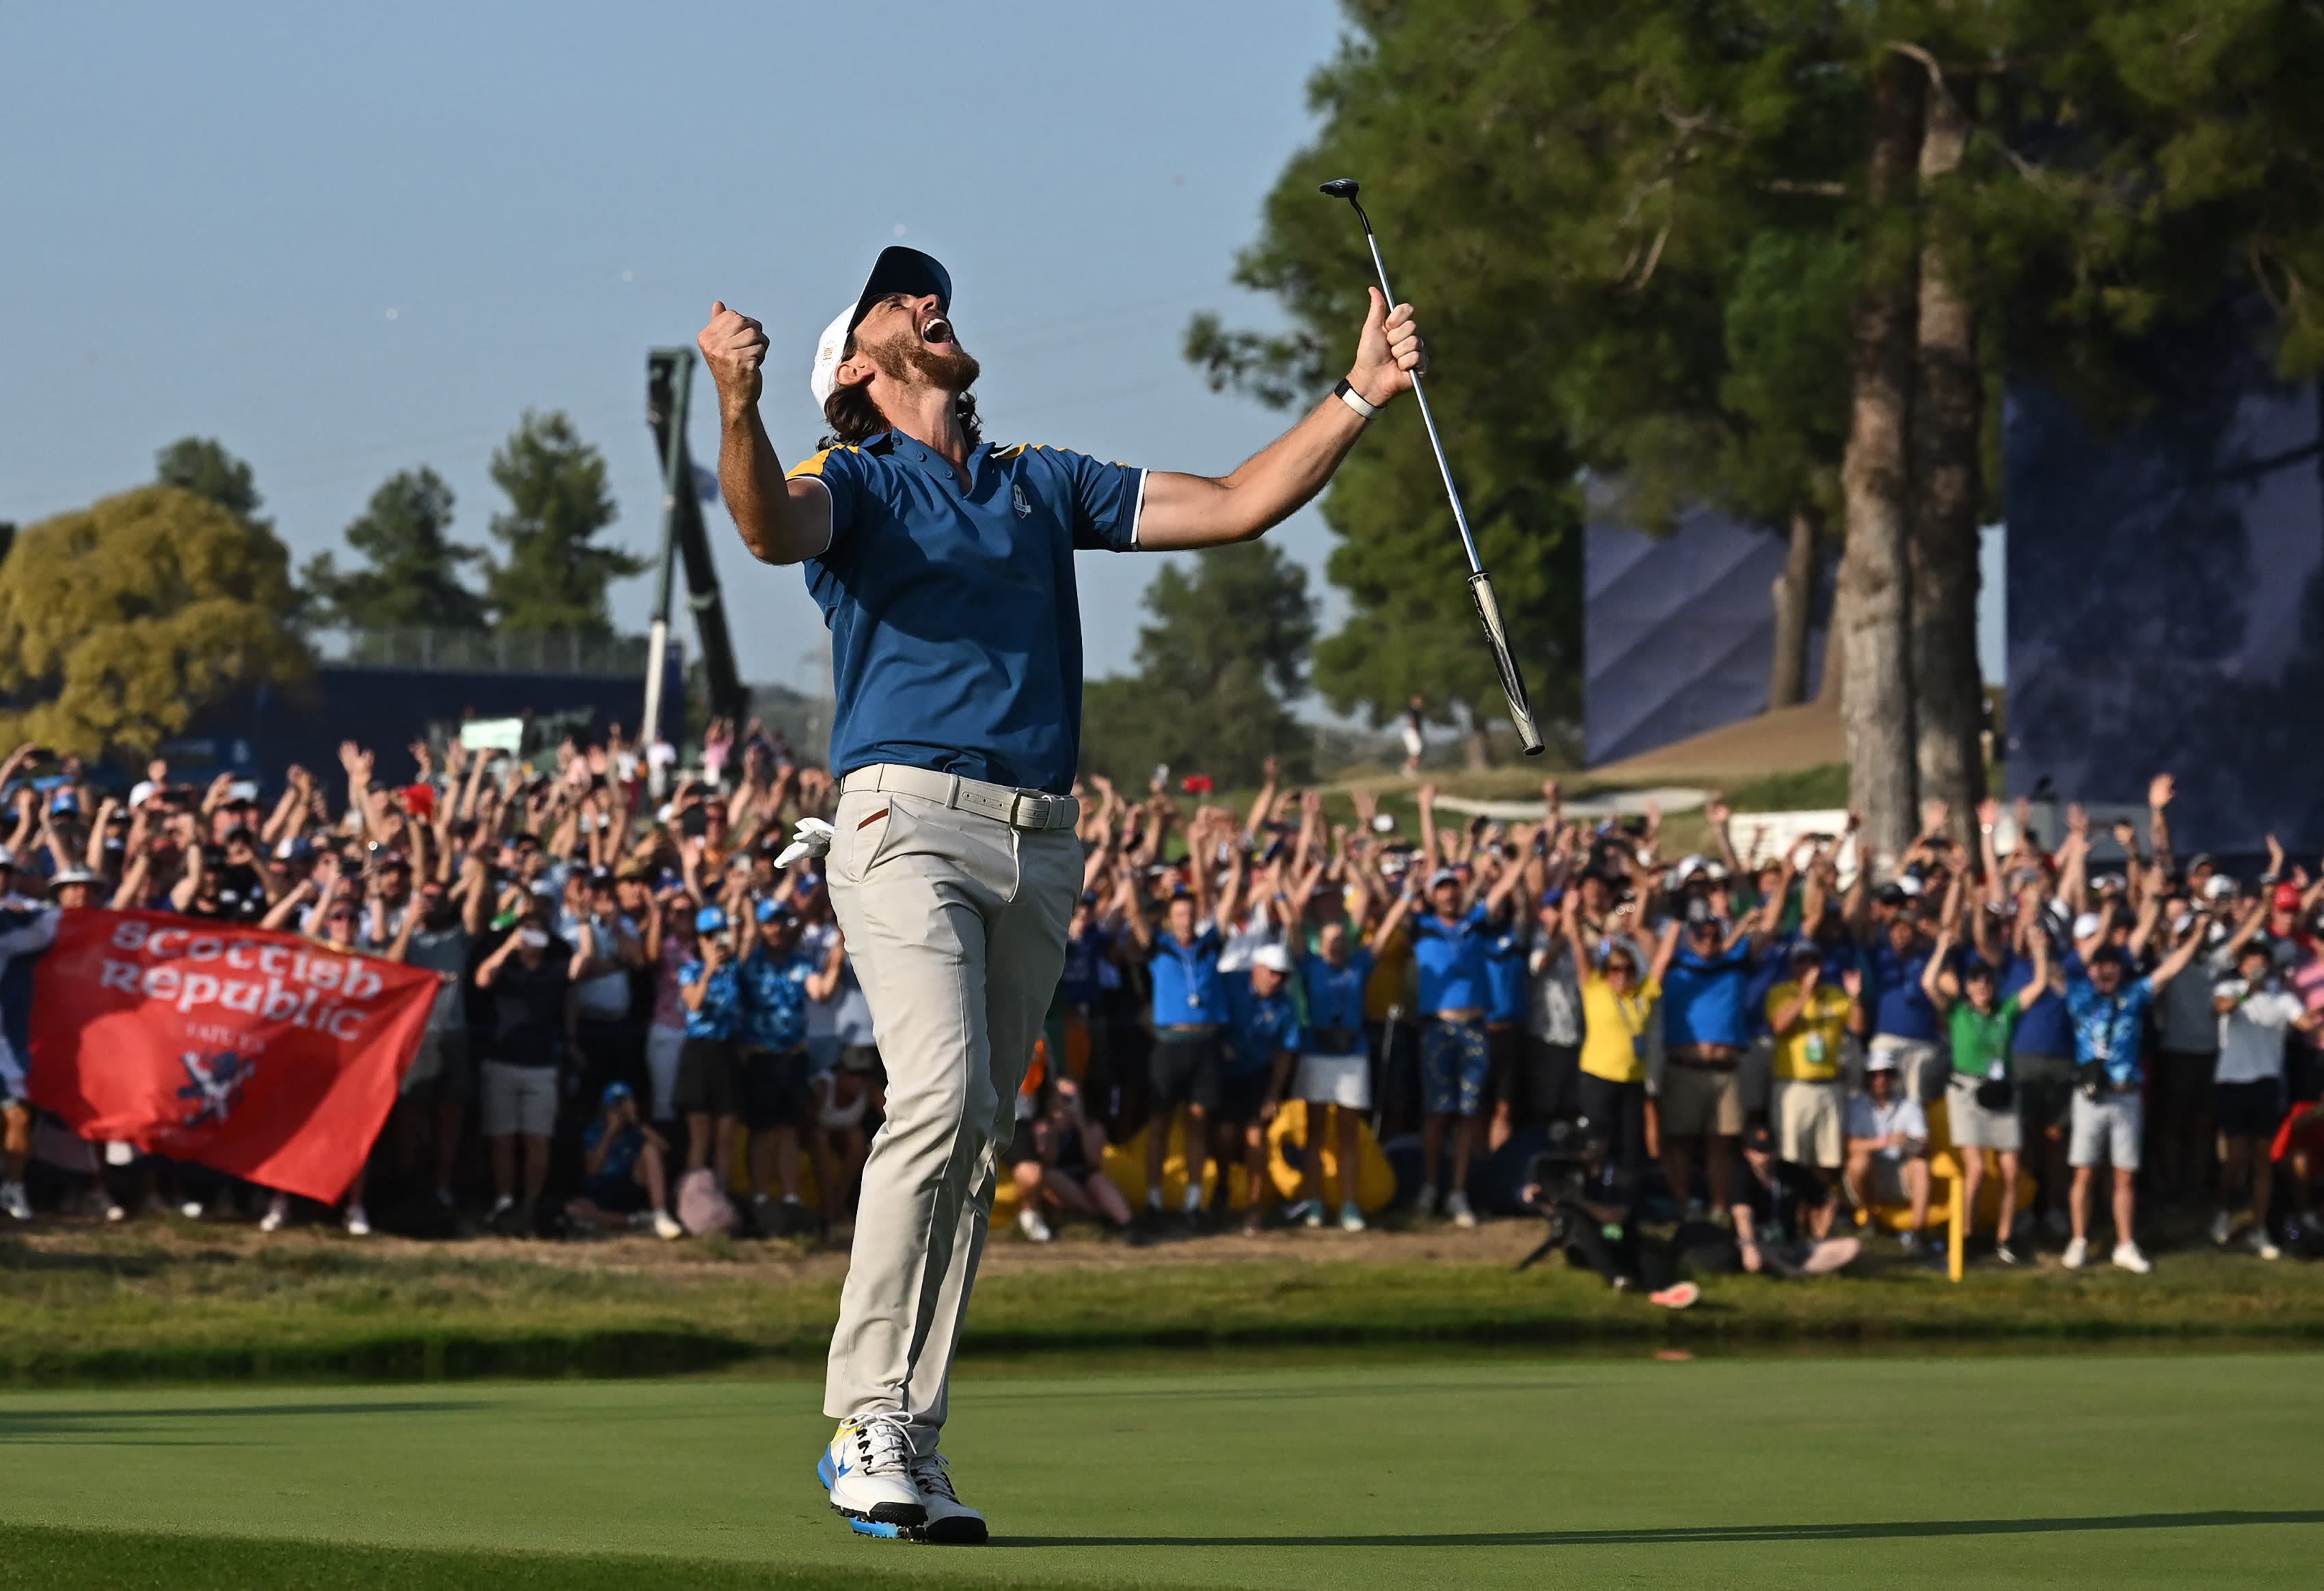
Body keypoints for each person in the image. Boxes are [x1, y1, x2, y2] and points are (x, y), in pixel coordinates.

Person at [701, 238, 1429, 1542]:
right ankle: (862, 1409)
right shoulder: (849, 479)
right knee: (937, 1091)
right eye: (902, 299)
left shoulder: (1042, 485)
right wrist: (737, 405)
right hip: (900, 817)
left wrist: (1360, 393)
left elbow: (1236, 503)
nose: (934, 301)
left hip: (1039, 836)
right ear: (859, 367)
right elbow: (765, 526)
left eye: (935, 292)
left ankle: (908, 1440)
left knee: (979, 1130)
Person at [2062, 895, 2209, 1273]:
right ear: (2092, 970)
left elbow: (2170, 970)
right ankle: (2079, 1240)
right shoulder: (2080, 997)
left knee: (2125, 1174)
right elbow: (2055, 969)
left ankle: (2125, 1243)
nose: (2105, 972)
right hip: (2091, 1096)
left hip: (2127, 1097)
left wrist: (2198, 937)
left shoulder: (2133, 994)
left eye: (2112, 965)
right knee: (2085, 1172)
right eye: (2100, 966)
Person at [1921, 923, 2053, 1264]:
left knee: (2011, 1169)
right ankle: (1962, 1236)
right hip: (1967, 1092)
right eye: (1976, 981)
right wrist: (1941, 949)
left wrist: (2039, 951)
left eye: (1987, 982)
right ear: (1967, 987)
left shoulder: (2005, 1014)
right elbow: (1928, 984)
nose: (1982, 987)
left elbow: (2038, 985)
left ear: (1994, 986)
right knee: (1976, 1169)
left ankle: (2004, 1239)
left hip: (2001, 1091)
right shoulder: (1958, 1012)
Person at [474, 888, 581, 1236]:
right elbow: (482, 979)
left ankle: (531, 1204)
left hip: (542, 1063)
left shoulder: (557, 962)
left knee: (538, 1139)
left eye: (537, 926)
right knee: (502, 1138)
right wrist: (508, 949)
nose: (531, 932)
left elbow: (576, 983)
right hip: (502, 1059)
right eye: (525, 926)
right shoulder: (505, 960)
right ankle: (505, 1200)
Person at [1122, 878, 1227, 1229]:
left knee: (1199, 1125)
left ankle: (1193, 1205)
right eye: (1179, 915)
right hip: (1168, 1046)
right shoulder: (1160, 947)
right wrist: (1129, 876)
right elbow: (1135, 916)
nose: (1185, 920)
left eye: (1189, 914)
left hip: (1205, 1045)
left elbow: (1225, 909)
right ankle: (1154, 1202)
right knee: (1160, 1126)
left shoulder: (1210, 945)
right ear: (1170, 919)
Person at [1565, 890, 1679, 1196]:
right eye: (1615, 969)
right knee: (1597, 1142)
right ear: (1607, 972)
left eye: (1628, 969)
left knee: (1630, 1147)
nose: (1622, 976)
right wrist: (1570, 914)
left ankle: (1624, 1203)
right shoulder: (1595, 989)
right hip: (1598, 1078)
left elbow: (1664, 960)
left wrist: (1677, 923)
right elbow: (1577, 946)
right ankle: (1586, 1196)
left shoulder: (1642, 993)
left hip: (1632, 1081)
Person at [2212, 932, 2317, 1260]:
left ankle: (2259, 1229)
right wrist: (2247, 994)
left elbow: (2303, 1023)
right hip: (2232, 1083)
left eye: (2261, 962)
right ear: (2242, 967)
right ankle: (2224, 1208)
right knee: (2236, 1157)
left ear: (2269, 966)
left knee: (2263, 1160)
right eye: (2250, 962)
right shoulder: (2229, 990)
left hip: (2266, 1084)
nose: (2256, 967)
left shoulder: (2282, 999)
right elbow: (2221, 1009)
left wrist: (2315, 1018)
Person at [1763, 940, 1865, 1236]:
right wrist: (1805, 994)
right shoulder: (1780, 993)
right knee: (1792, 1158)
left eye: (1813, 961)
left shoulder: (1835, 995)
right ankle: (1792, 1220)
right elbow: (1780, 1025)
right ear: (1793, 966)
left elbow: (1858, 1027)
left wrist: (1855, 998)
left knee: (1826, 1158)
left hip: (1829, 1086)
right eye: (1802, 962)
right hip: (1794, 1086)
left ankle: (1820, 1219)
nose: (1808, 968)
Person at [1293, 919, 1375, 1232]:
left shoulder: (1360, 964)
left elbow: (1381, 936)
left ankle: (1349, 1205)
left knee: (1348, 1135)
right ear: (1320, 943)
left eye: (1340, 938)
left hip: (1353, 1055)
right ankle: (1314, 1203)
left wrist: (1407, 895)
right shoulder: (1310, 965)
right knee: (1314, 1133)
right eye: (1329, 939)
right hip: (1317, 1052)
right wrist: (1282, 886)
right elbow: (1293, 925)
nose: (1335, 945)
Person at [1220, 942, 1301, 1236]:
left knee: (1256, 1136)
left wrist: (1273, 1094)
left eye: (1282, 975)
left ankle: (1254, 1209)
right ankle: (1221, 1194)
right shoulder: (1231, 984)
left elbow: (1286, 1052)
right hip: (1224, 1073)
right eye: (1272, 973)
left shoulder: (1285, 1004)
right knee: (1226, 1136)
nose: (1277, 980)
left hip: (1258, 1075)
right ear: (1257, 969)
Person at [674, 904, 745, 1193]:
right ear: (699, 940)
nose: (716, 941)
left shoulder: (736, 971)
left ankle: (722, 1197)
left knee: (725, 1134)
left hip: (726, 1050)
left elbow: (748, 935)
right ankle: (695, 1199)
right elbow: (693, 1003)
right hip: (699, 1052)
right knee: (700, 1133)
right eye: (709, 936)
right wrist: (709, 972)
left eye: (721, 935)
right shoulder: (690, 970)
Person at [1731, 1122, 1863, 1277]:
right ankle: (1806, 1269)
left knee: (1853, 1247)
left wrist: (1821, 1233)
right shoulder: (1741, 1176)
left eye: (1769, 1150)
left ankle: (1801, 1270)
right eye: (1759, 1152)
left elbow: (1828, 1199)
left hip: (1791, 1243)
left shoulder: (1792, 1172)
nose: (1766, 1157)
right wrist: (1749, 1247)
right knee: (1757, 1259)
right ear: (1748, 1153)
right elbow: (1742, 1215)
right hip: (1759, 1243)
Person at [565, 1083, 683, 1240]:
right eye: (615, 1106)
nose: (620, 1111)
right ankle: (635, 1221)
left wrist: (637, 1123)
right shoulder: (593, 1132)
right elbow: (592, 1169)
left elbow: (665, 1149)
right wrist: (610, 1134)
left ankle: (660, 1214)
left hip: (629, 1186)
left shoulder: (638, 1130)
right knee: (572, 1209)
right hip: (602, 1191)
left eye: (624, 1104)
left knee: (650, 1150)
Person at [1842, 1052, 1930, 1249]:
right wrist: (1884, 1142)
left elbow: (1923, 1145)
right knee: (1859, 1163)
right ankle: (1870, 1217)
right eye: (1875, 1075)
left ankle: (1918, 1233)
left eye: (1887, 1074)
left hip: (1900, 1170)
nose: (1881, 1080)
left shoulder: (1910, 1106)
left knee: (1921, 1166)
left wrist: (1907, 1143)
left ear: (1895, 1078)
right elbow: (1850, 1146)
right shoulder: (1856, 1105)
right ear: (1867, 1078)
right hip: (1872, 1173)